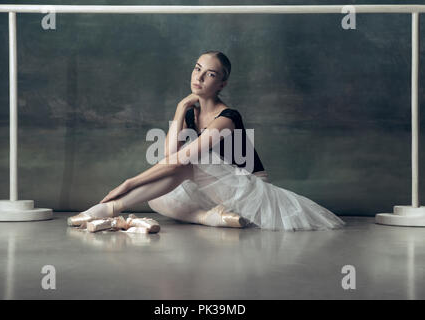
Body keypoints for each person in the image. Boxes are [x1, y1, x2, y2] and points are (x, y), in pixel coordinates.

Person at [68, 50, 345, 231]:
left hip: (250, 190)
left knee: (192, 161)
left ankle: (109, 209)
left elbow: (180, 161)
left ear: (222, 84)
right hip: (217, 188)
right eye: (196, 69)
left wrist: (129, 183)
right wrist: (180, 109)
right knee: (158, 199)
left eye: (209, 74)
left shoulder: (228, 117)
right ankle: (211, 217)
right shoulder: (192, 112)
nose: (199, 77)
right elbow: (168, 157)